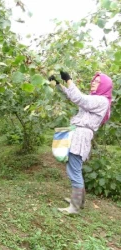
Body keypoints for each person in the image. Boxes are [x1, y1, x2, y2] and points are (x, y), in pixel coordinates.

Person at [49, 71, 112, 214]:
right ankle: (79, 201)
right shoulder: (95, 99)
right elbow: (73, 97)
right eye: (94, 80)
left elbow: (80, 98)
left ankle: (75, 207)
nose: (94, 83)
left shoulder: (101, 101)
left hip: (81, 135)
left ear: (105, 85)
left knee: (74, 170)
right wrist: (59, 84)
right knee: (75, 167)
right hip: (78, 134)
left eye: (97, 81)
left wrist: (69, 80)